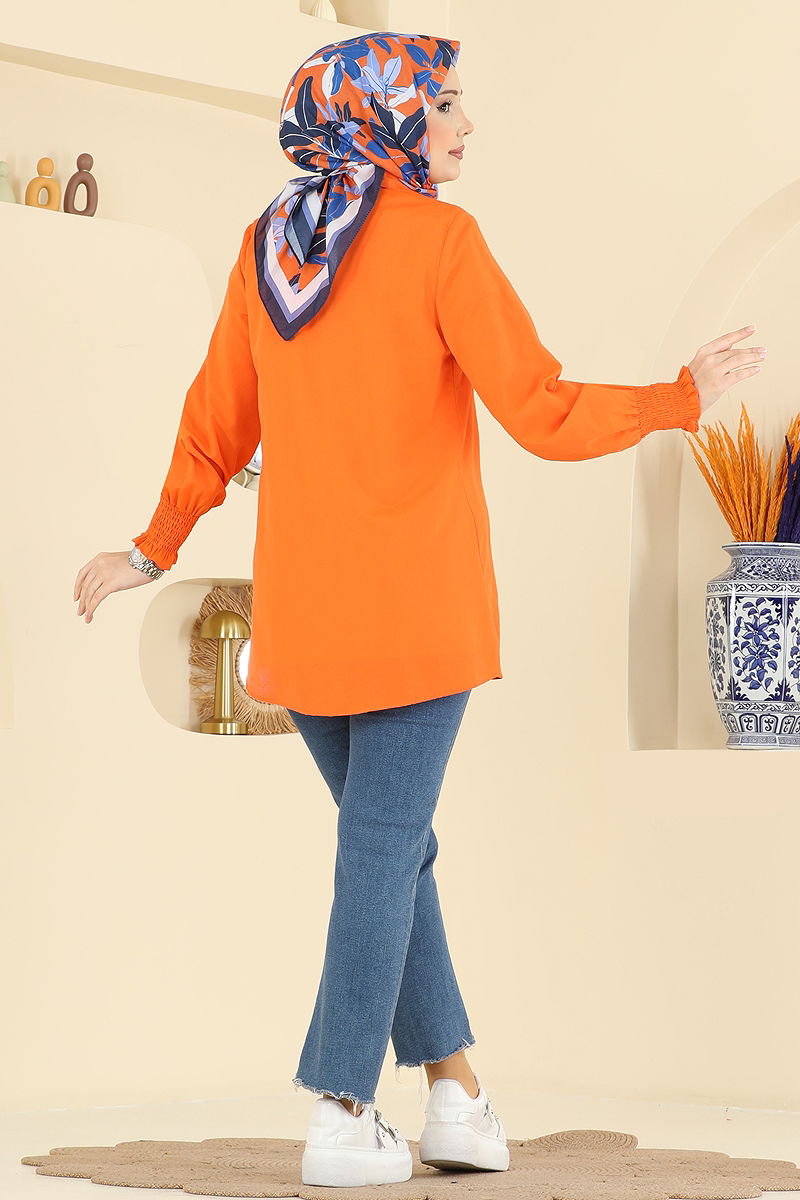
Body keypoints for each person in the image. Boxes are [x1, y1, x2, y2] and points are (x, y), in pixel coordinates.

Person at [73, 30, 766, 1190]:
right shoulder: (440, 240)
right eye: (441, 103)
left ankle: (456, 1096)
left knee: (392, 850)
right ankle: (342, 1108)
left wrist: (154, 545)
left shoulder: (267, 249)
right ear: (383, 117)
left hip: (302, 620)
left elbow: (214, 424)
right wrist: (676, 398)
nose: (461, 123)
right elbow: (539, 409)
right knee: (383, 849)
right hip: (417, 614)